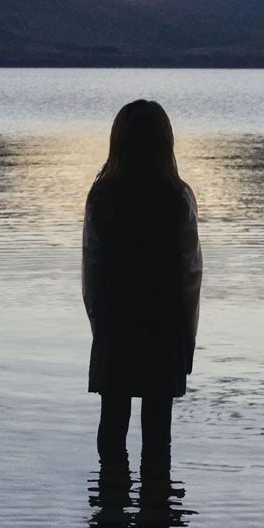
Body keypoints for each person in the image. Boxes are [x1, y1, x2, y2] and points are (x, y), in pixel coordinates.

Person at [82, 99, 201, 466]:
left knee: (112, 432)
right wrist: (188, 339)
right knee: (157, 439)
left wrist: (98, 326)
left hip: (115, 326)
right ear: (166, 142)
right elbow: (189, 276)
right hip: (163, 330)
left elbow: (92, 270)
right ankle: (157, 519)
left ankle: (110, 513)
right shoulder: (177, 199)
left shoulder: (102, 198)